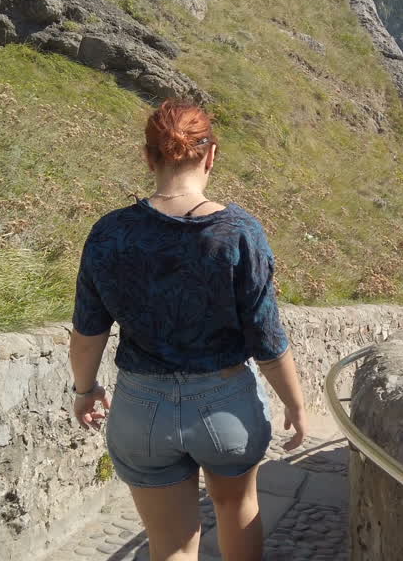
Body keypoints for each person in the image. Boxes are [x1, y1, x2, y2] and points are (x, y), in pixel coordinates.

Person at [68, 99, 309, 561]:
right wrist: (295, 405)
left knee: (172, 543)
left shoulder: (110, 232)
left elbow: (88, 333)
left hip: (141, 408)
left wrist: (85, 390)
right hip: (226, 405)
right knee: (238, 507)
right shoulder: (239, 232)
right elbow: (267, 338)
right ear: (211, 156)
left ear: (148, 156)